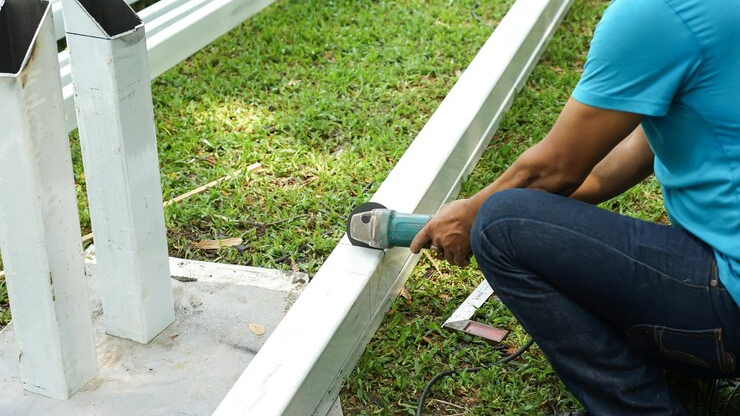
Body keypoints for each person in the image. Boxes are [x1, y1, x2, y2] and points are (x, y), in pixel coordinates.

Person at [409, 0, 740, 414]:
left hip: (732, 300)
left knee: (501, 224)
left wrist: (476, 213)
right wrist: (541, 214)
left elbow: (555, 168)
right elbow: (632, 154)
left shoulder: (658, 12)